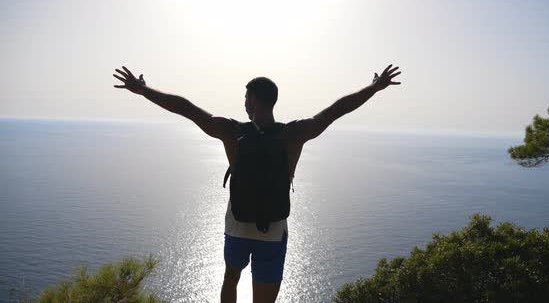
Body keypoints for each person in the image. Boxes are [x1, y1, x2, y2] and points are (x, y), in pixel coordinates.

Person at [112, 64, 402, 303]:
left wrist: (143, 90)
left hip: (237, 225)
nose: (244, 102)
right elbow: (336, 110)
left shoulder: (230, 131)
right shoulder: (294, 134)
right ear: (272, 101)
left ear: (252, 100)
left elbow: (185, 109)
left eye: (246, 97)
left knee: (231, 278)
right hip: (273, 230)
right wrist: (373, 88)